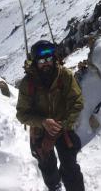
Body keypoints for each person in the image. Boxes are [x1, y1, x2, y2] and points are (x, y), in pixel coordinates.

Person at [16, 40, 85, 191]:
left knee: (70, 166)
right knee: (47, 166)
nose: (46, 63)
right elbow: (22, 114)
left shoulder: (64, 76)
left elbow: (77, 102)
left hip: (63, 127)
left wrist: (64, 124)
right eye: (41, 61)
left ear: (53, 58)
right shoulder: (28, 84)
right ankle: (55, 187)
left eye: (48, 59)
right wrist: (42, 122)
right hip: (40, 130)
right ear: (35, 62)